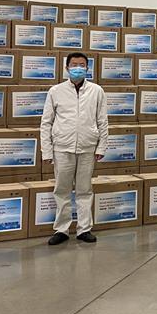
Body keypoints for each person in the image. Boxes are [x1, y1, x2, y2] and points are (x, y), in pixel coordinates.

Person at [40, 52, 108, 245]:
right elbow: (46, 123)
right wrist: (47, 150)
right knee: (62, 190)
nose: (78, 68)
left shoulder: (96, 91)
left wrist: (101, 147)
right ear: (67, 68)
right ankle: (61, 229)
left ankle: (84, 229)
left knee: (84, 190)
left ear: (87, 68)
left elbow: (102, 121)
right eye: (74, 64)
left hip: (87, 147)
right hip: (62, 148)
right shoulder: (56, 91)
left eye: (82, 65)